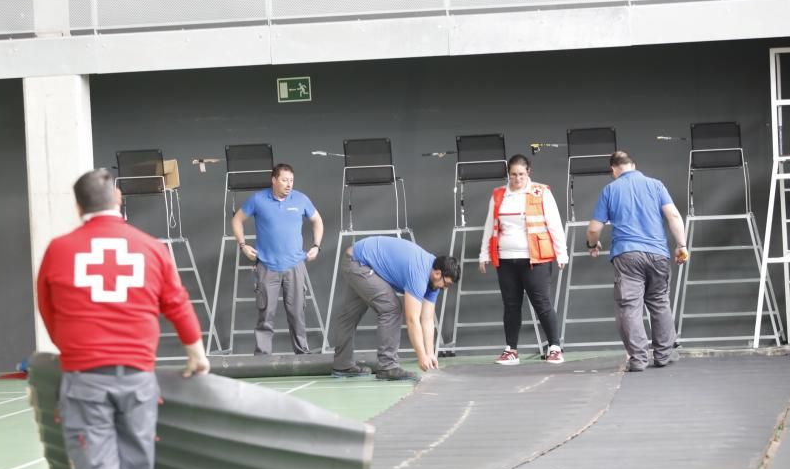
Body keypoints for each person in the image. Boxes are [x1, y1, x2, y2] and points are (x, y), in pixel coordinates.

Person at [36, 168, 210, 469]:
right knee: (135, 462)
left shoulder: (59, 250)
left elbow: (48, 309)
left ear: (78, 206)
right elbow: (177, 303)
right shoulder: (150, 247)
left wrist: (75, 349)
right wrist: (195, 353)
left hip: (85, 377)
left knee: (98, 465)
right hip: (137, 375)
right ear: (118, 202)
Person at [586, 151, 689, 371]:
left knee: (630, 307)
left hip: (627, 255)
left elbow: (594, 228)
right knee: (660, 302)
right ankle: (664, 355)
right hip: (658, 253)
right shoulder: (656, 185)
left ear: (613, 169)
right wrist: (681, 245)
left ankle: (639, 359)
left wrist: (592, 245)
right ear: (633, 165)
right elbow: (674, 216)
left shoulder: (610, 190)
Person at [330, 236, 460, 382]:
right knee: (391, 308)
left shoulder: (435, 278)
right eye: (446, 284)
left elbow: (427, 319)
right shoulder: (419, 274)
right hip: (359, 263)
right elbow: (412, 319)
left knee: (350, 314)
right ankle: (388, 367)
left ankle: (342, 365)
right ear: (438, 274)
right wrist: (421, 356)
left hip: (356, 259)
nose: (445, 288)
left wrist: (430, 354)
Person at [479, 154, 568, 365]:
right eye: (513, 174)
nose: (517, 178)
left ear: (528, 171)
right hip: (506, 259)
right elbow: (489, 225)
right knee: (511, 305)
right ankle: (511, 350)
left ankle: (554, 347)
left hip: (535, 258)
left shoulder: (541, 192)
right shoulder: (499, 195)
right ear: (508, 174)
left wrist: (561, 252)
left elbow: (554, 223)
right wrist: (484, 254)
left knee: (542, 303)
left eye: (521, 174)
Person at [232, 163, 324, 355]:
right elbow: (237, 220)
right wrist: (243, 245)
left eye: (291, 180)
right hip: (266, 265)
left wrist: (316, 245)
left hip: (295, 265)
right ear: (273, 180)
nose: (288, 184)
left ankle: (302, 354)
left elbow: (317, 220)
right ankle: (262, 357)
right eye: (284, 180)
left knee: (297, 313)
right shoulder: (258, 199)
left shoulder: (301, 199)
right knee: (266, 314)